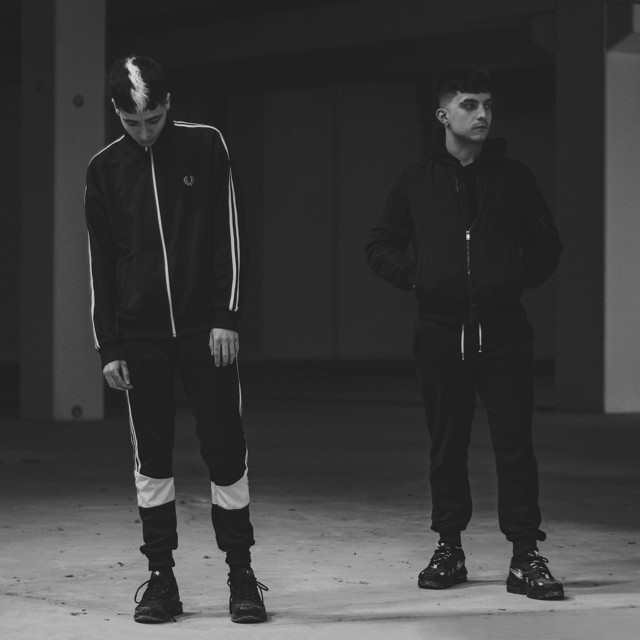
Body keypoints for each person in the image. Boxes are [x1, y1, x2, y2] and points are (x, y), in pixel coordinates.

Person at [366, 67, 564, 600]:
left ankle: (525, 555)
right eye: (471, 105)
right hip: (439, 330)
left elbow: (548, 244)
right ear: (443, 114)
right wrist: (421, 278)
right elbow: (380, 245)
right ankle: (449, 548)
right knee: (447, 445)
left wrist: (512, 277)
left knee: (515, 444)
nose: (483, 115)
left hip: (504, 330)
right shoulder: (416, 179)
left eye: (488, 105)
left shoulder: (515, 177)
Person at [84, 55, 268, 624]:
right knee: (152, 455)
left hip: (204, 328)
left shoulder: (206, 145)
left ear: (169, 105)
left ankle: (241, 573)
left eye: (154, 119)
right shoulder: (104, 168)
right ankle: (161, 578)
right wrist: (108, 344)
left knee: (224, 445)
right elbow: (101, 262)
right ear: (116, 112)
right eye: (131, 123)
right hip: (139, 336)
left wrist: (226, 315)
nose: (145, 132)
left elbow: (229, 232)